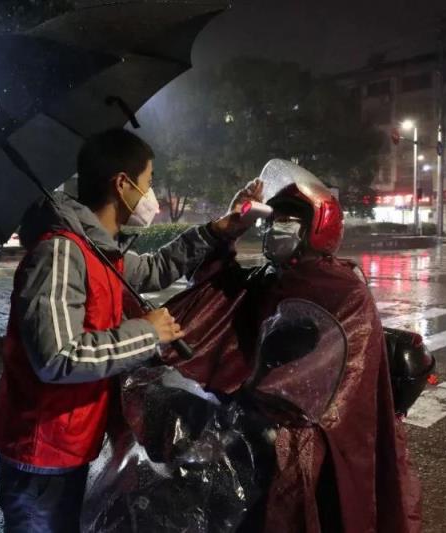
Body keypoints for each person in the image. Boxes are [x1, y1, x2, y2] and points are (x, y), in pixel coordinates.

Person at [0, 128, 263, 532]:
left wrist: (219, 230)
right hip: (40, 459)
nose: (150, 195)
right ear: (122, 184)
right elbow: (58, 357)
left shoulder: (98, 250)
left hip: (67, 448)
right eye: (148, 182)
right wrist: (147, 333)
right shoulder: (61, 251)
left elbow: (156, 268)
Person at [163, 160, 422, 532]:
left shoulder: (343, 288)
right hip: (257, 417)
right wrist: (229, 230)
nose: (275, 228)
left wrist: (266, 406)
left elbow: (332, 371)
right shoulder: (274, 276)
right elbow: (217, 287)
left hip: (310, 426)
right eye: (273, 220)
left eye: (287, 220)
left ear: (317, 228)